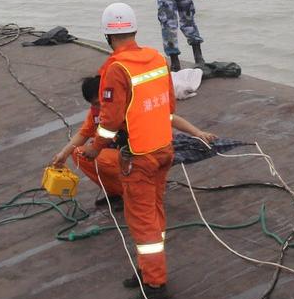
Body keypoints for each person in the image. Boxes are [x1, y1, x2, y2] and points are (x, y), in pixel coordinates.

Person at [80, 3, 176, 299]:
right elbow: (170, 106)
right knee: (154, 212)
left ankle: (155, 283)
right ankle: (149, 269)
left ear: (108, 36)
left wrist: (95, 148)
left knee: (142, 220)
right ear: (133, 30)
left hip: (139, 156)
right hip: (163, 149)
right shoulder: (157, 59)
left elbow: (108, 121)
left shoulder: (116, 69)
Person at [51, 74, 216, 207]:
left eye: (102, 101)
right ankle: (120, 192)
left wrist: (198, 133)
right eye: (96, 104)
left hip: (142, 154)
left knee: (104, 159)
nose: (101, 107)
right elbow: (84, 133)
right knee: (79, 153)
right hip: (120, 150)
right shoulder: (97, 112)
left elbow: (170, 118)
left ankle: (138, 193)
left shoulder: (132, 105)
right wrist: (63, 154)